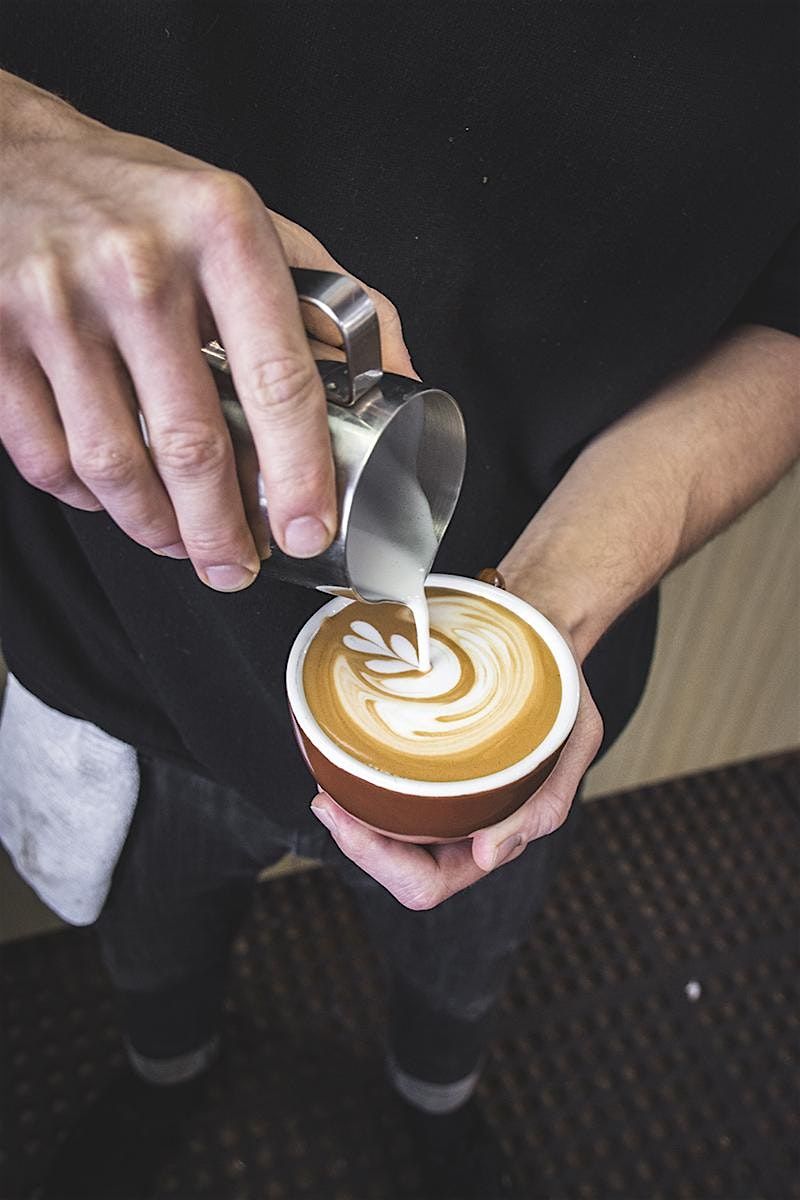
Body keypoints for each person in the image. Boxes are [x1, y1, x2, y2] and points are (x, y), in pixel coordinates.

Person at [1, 4, 798, 1197]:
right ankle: (166, 1070)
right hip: (128, 656)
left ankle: (435, 1107)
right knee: (152, 941)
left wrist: (549, 609)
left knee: (459, 970)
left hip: (524, 692)